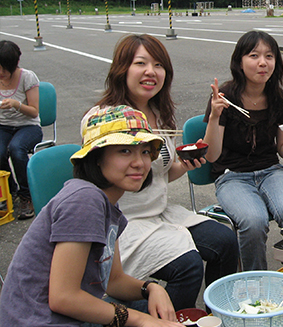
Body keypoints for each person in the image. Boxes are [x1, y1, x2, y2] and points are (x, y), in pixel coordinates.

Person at [84, 34, 239, 311]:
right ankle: (165, 319)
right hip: (126, 221)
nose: (150, 72)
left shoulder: (159, 112)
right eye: (140, 63)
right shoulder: (103, 119)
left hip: (160, 211)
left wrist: (184, 166)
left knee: (225, 241)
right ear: (122, 69)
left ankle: (219, 313)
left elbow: (161, 175)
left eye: (158, 65)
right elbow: (97, 176)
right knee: (188, 266)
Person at [0, 105, 184, 327]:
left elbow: (113, 281)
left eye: (145, 151)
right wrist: (141, 321)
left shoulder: (108, 205)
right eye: (125, 151)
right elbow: (63, 298)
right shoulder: (85, 200)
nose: (139, 163)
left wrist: (151, 288)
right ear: (97, 157)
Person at [203, 30, 283, 271]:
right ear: (239, 61)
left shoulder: (280, 98)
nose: (263, 62)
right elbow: (211, 156)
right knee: (253, 220)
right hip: (231, 175)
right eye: (254, 55)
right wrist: (214, 116)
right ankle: (256, 282)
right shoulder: (224, 97)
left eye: (269, 56)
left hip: (271, 171)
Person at [0, 40, 43, 219]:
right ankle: (10, 191)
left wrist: (17, 105)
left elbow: (34, 112)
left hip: (28, 126)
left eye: (3, 69)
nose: (0, 73)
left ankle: (27, 195)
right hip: (3, 125)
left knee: (17, 149)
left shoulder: (27, 77)